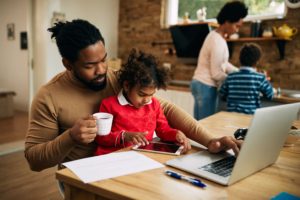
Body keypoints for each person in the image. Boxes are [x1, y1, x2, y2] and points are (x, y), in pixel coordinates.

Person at [25, 19, 243, 173]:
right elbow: (34, 160)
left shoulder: (118, 79)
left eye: (104, 59)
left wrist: (210, 140)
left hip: (132, 165)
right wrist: (70, 137)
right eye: (91, 65)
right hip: (83, 176)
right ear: (68, 64)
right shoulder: (48, 97)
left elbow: (163, 108)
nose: (102, 70)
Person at [95, 49, 191, 155]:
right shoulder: (109, 105)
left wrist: (176, 134)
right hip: (112, 158)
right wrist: (124, 136)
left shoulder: (154, 105)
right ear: (127, 86)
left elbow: (163, 130)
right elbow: (101, 138)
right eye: (141, 94)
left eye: (151, 94)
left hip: (140, 157)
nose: (147, 100)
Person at [190, 1, 248, 120]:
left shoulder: (215, 36)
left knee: (199, 125)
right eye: (236, 26)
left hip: (199, 83)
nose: (237, 30)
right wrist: (238, 79)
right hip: (206, 85)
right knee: (206, 127)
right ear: (227, 22)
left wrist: (240, 72)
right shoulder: (217, 41)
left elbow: (224, 64)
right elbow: (216, 74)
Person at [219, 43, 274, 114]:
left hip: (231, 117)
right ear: (256, 62)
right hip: (250, 118)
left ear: (240, 59)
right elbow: (270, 95)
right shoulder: (260, 77)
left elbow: (222, 95)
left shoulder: (230, 77)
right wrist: (265, 80)